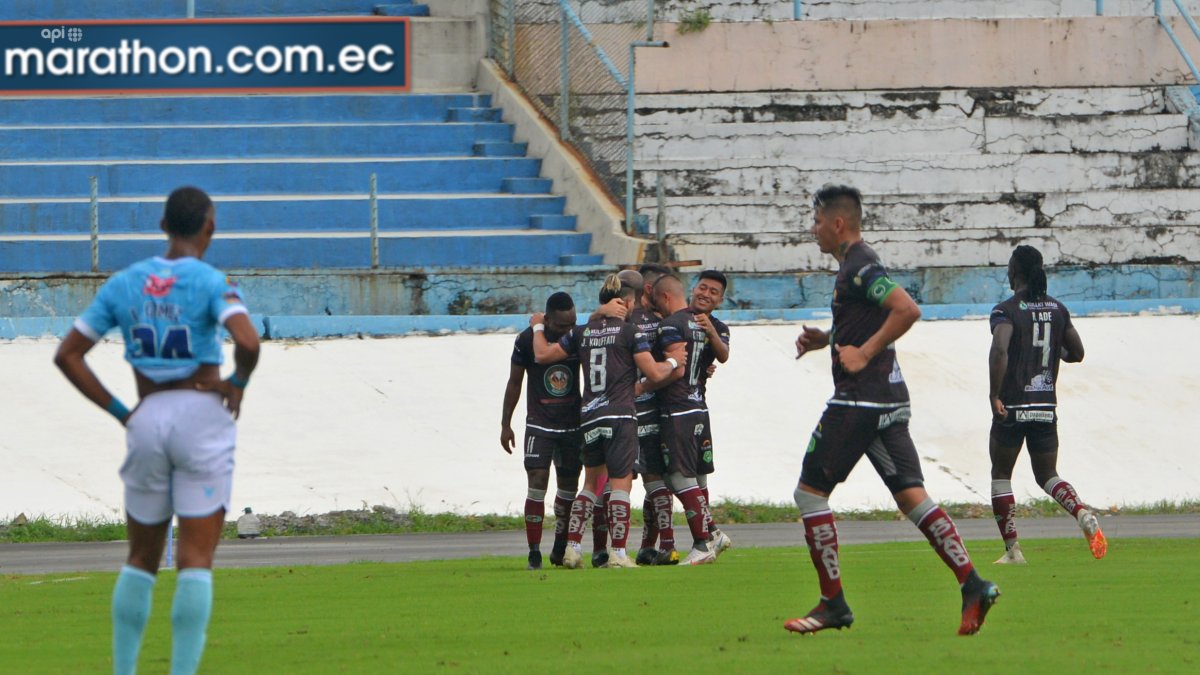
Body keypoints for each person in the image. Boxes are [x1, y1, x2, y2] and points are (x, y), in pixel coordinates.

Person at [54, 186, 260, 674]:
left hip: (147, 416)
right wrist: (238, 381)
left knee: (141, 559)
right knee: (194, 559)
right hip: (201, 418)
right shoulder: (213, 282)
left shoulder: (126, 283)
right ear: (209, 227)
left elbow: (68, 355)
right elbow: (248, 341)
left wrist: (124, 413)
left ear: (164, 227)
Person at [787, 184, 998, 636]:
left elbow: (906, 309)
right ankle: (973, 583)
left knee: (809, 494)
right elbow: (870, 315)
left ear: (838, 223)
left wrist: (861, 353)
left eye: (818, 221)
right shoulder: (855, 266)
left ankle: (833, 603)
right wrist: (828, 339)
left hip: (859, 400)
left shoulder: (860, 264)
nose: (814, 229)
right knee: (910, 496)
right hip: (888, 401)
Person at [531, 274, 682, 568]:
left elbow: (543, 354)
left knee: (591, 485)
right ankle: (619, 554)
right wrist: (675, 361)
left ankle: (572, 550)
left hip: (590, 417)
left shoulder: (582, 332)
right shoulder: (629, 332)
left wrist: (538, 325)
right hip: (620, 416)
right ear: (626, 302)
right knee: (620, 485)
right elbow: (653, 373)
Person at [988, 245, 1106, 564]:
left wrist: (994, 395)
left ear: (1014, 273)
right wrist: (1055, 353)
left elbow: (1000, 350)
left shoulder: (1006, 310)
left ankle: (1013, 551)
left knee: (1001, 473)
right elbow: (1077, 352)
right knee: (1048, 475)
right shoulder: (1058, 309)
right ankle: (1081, 513)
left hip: (1013, 405)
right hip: (1045, 407)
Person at [645, 273, 730, 565]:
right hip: (697, 408)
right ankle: (713, 532)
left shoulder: (675, 325)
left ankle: (702, 543)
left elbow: (681, 366)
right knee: (697, 475)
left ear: (720, 300)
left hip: (678, 410)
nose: (706, 293)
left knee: (677, 476)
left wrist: (640, 384)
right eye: (703, 287)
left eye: (714, 291)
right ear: (692, 289)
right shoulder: (687, 321)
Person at [501, 292, 584, 569]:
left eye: (572, 324)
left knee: (568, 487)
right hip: (540, 424)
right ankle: (533, 551)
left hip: (573, 425)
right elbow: (514, 383)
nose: (567, 330)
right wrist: (506, 424)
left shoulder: (579, 338)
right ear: (547, 320)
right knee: (537, 482)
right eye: (561, 326)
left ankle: (560, 545)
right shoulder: (526, 340)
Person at [625, 264, 681, 566]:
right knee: (654, 479)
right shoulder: (659, 323)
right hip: (653, 409)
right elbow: (676, 363)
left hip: (622, 410)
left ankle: (611, 548)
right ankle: (660, 544)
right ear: (648, 290)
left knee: (617, 483)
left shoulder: (616, 322)